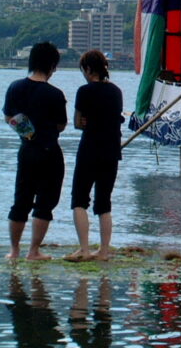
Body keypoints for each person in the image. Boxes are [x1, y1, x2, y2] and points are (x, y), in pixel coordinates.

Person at [3, 42, 67, 260]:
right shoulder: (55, 94)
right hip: (50, 152)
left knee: (21, 200)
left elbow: (8, 117)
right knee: (45, 203)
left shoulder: (15, 88)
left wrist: (28, 132)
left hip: (27, 150)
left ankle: (14, 250)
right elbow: (61, 125)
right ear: (52, 65)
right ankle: (34, 251)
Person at [66, 50, 124, 262]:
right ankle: (104, 251)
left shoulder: (84, 91)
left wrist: (85, 122)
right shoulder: (116, 91)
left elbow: (77, 122)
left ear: (88, 69)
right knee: (104, 202)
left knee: (79, 199)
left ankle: (84, 249)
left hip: (89, 149)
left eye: (83, 70)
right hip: (111, 150)